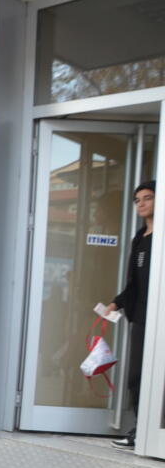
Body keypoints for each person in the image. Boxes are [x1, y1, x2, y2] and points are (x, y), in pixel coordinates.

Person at [107, 180, 155, 450]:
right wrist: (116, 303)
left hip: (160, 318)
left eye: (148, 198)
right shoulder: (140, 238)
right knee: (137, 376)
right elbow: (134, 283)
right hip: (141, 318)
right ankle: (140, 431)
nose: (142, 204)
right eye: (137, 200)